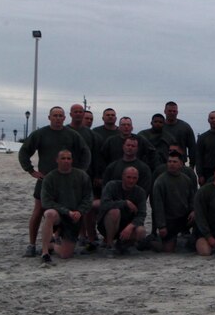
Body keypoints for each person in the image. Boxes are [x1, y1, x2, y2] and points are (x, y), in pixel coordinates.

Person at [18, 106, 90, 257]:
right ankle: (32, 244)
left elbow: (85, 151)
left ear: (65, 118)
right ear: (49, 117)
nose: (58, 118)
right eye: (55, 115)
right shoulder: (40, 134)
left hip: (69, 182)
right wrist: (31, 170)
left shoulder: (72, 135)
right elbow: (24, 151)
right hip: (45, 180)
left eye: (60, 116)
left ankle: (73, 239)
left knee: (74, 210)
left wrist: (81, 170)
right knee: (39, 211)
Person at [37, 149, 92, 264]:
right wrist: (67, 212)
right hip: (59, 214)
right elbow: (46, 202)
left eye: (68, 158)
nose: (66, 161)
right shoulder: (50, 178)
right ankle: (45, 252)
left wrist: (80, 212)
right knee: (49, 213)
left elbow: (88, 198)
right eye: (63, 158)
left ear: (72, 160)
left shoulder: (82, 176)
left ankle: (51, 245)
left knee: (65, 254)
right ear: (57, 160)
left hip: (74, 217)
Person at [152, 151, 198, 252]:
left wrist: (194, 211)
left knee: (198, 216)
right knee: (168, 250)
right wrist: (161, 226)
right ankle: (150, 243)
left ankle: (193, 237)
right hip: (169, 220)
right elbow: (158, 206)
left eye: (175, 162)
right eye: (169, 161)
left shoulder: (186, 180)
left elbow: (192, 199)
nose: (171, 164)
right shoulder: (160, 181)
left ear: (181, 164)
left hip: (184, 218)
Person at [98, 166, 148, 254]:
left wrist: (130, 226)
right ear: (122, 176)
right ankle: (109, 245)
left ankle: (123, 244)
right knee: (114, 212)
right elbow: (104, 204)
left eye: (134, 178)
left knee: (141, 231)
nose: (131, 180)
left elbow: (142, 214)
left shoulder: (140, 192)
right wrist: (124, 203)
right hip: (108, 225)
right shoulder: (111, 186)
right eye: (128, 177)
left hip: (127, 226)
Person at [195, 111, 215, 185]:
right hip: (207, 172)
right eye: (212, 118)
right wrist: (200, 175)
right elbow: (199, 157)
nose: (214, 120)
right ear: (208, 120)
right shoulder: (202, 138)